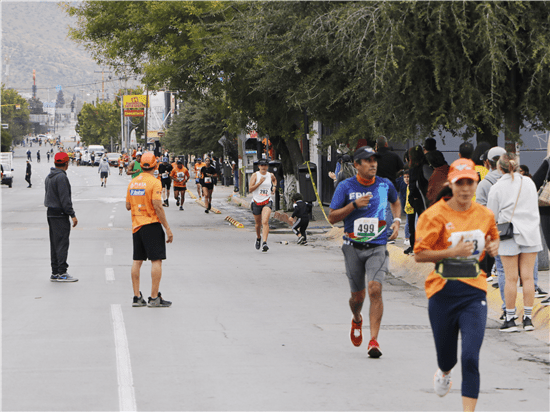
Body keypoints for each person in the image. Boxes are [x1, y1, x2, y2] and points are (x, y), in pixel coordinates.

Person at [414, 158, 499, 412]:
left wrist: (494, 247)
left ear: (476, 183)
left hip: (474, 292)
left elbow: (492, 242)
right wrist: (452, 252)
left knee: (471, 357)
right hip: (442, 293)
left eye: (470, 182)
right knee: (447, 357)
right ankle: (444, 371)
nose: (465, 188)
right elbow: (419, 254)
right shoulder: (434, 215)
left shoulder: (484, 214)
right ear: (451, 184)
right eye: (460, 182)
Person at [328, 146, 401, 358]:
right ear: (357, 165)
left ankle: (374, 340)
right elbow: (332, 217)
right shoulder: (345, 186)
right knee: (357, 297)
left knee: (375, 289)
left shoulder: (384, 184)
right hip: (352, 247)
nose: (373, 164)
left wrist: (396, 222)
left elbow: (396, 201)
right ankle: (357, 318)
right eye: (367, 161)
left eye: (374, 160)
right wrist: (353, 205)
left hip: (377, 246)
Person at [487, 153, 542, 332]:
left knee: (510, 277)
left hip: (508, 235)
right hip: (531, 233)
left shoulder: (497, 187)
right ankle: (527, 319)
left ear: (499, 167)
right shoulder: (529, 183)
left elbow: (491, 215)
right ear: (518, 166)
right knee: (528, 278)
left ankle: (510, 318)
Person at [126, 152, 173, 307]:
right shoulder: (155, 182)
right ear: (155, 165)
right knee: (156, 260)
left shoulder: (133, 183)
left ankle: (136, 297)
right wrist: (167, 228)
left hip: (136, 226)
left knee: (137, 261)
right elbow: (158, 206)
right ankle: (154, 298)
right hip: (152, 224)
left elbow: (128, 206)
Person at [44, 152, 79, 282]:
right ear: (66, 163)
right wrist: (72, 215)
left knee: (54, 243)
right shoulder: (61, 178)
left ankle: (55, 272)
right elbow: (65, 200)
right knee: (62, 243)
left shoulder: (49, 177)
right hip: (60, 214)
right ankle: (62, 273)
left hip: (51, 213)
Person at [405, 145, 431, 254]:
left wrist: (413, 197)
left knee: (415, 224)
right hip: (421, 198)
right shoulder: (425, 166)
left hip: (417, 199)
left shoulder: (414, 168)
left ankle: (416, 245)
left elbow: (413, 185)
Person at [249, 158, 277, 252]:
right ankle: (258, 237)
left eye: (265, 165)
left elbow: (274, 180)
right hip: (256, 201)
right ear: (259, 166)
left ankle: (265, 242)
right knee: (258, 224)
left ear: (267, 166)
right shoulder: (255, 175)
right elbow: (250, 189)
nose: (263, 167)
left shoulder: (270, 175)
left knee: (265, 221)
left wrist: (274, 187)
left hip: (267, 200)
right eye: (261, 165)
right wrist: (259, 183)